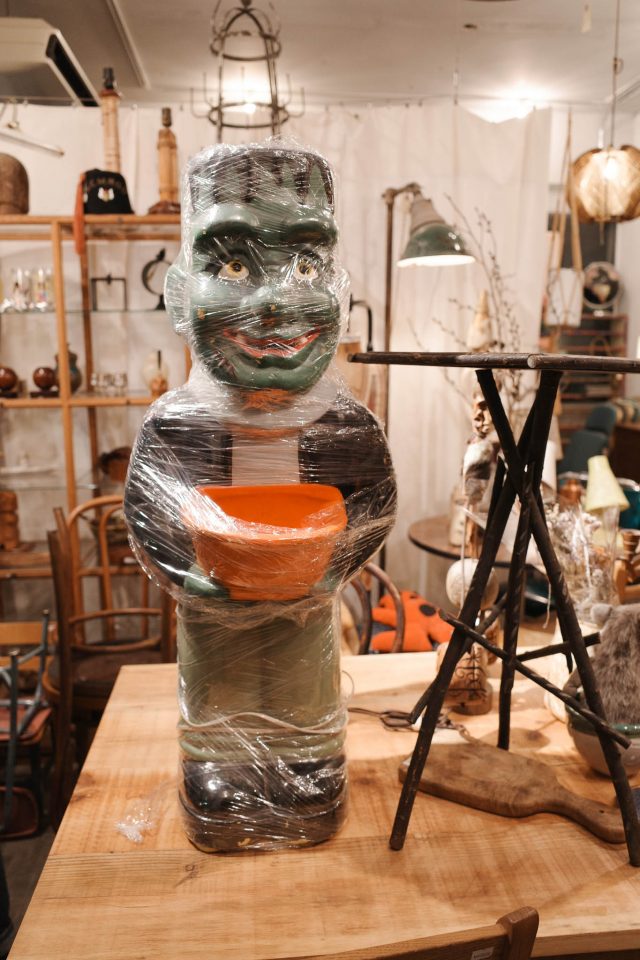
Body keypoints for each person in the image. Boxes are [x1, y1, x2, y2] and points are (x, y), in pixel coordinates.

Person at [125, 141, 396, 851]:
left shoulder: (345, 426)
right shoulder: (176, 425)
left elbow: (373, 503)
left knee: (302, 692)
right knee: (223, 691)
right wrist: (192, 578)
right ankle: (217, 767)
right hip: (212, 612)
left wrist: (329, 571)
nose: (275, 300)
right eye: (234, 265)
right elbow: (149, 515)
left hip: (307, 610)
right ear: (181, 292)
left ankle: (308, 765)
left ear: (337, 287)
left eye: (305, 264)